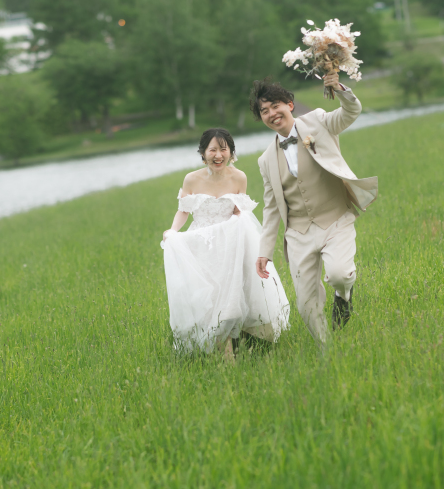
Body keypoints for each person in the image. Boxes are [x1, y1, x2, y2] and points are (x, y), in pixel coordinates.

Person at [252, 73, 377, 350]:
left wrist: (340, 88)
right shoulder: (265, 160)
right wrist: (264, 251)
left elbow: (351, 112)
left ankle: (343, 298)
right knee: (305, 304)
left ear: (290, 105)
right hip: (298, 233)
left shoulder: (319, 121)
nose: (272, 113)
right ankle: (328, 351)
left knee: (340, 274)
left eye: (276, 105)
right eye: (265, 111)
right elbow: (272, 208)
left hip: (335, 218)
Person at [162, 128, 290, 360]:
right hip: (202, 243)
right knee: (209, 296)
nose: (218, 155)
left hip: (230, 243)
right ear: (203, 153)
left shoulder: (239, 177)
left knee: (233, 295)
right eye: (212, 150)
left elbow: (238, 211)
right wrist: (172, 231)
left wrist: (240, 229)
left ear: (231, 153)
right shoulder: (192, 179)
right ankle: (222, 352)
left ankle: (236, 346)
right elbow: (184, 210)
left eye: (223, 149)